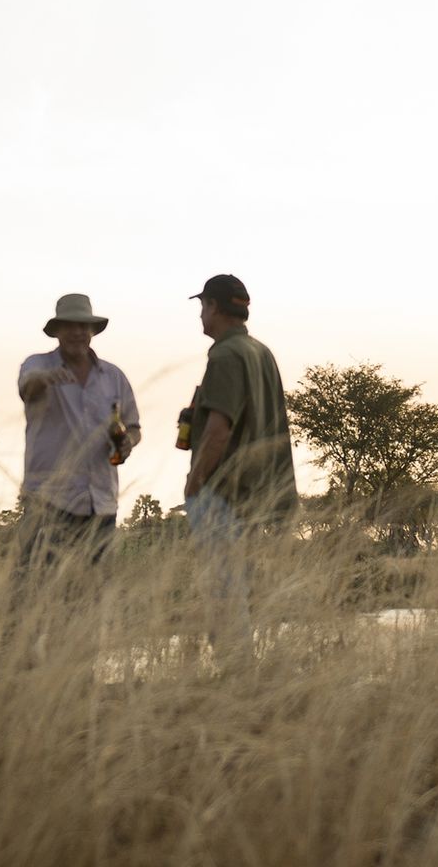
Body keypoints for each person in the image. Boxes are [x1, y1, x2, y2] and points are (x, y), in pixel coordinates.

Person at [182, 274, 297, 667]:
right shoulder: (260, 351)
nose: (201, 315)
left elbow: (219, 429)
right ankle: (243, 672)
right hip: (258, 492)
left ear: (213, 307)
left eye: (203, 306)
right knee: (239, 588)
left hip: (224, 492)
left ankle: (236, 672)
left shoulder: (225, 355)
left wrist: (194, 482)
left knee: (222, 589)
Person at [15, 294, 142, 579]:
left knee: (94, 598)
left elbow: (133, 428)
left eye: (84, 326)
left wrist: (127, 443)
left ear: (93, 331)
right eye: (70, 326)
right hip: (48, 502)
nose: (78, 332)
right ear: (57, 331)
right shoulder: (37, 365)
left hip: (101, 503)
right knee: (35, 593)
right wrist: (45, 381)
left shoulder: (113, 376)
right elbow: (28, 387)